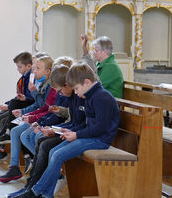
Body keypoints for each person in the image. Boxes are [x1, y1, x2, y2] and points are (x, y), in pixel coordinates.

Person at [13, 62, 120, 198]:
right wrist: (67, 131)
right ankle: (46, 194)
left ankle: (35, 192)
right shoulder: (89, 95)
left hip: (100, 140)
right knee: (53, 151)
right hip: (90, 136)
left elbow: (101, 128)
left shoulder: (101, 97)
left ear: (87, 82)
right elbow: (85, 124)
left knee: (57, 155)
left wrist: (76, 134)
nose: (75, 93)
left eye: (76, 88)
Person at [5, 64, 86, 198]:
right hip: (68, 128)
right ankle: (32, 187)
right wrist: (48, 126)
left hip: (82, 135)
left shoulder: (81, 95)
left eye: (59, 91)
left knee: (45, 144)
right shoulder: (73, 95)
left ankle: (36, 190)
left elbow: (86, 124)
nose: (59, 94)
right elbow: (64, 116)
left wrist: (56, 130)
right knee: (40, 140)